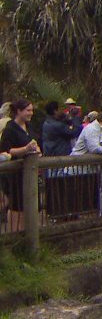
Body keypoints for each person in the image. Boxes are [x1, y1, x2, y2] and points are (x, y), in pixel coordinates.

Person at [0, 99, 42, 231]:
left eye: (31, 110)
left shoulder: (30, 127)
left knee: (30, 204)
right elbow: (6, 150)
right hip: (16, 174)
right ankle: (14, 234)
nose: (31, 113)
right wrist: (26, 149)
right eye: (28, 110)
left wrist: (38, 150)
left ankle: (27, 233)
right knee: (16, 205)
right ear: (18, 111)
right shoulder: (10, 129)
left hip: (31, 172)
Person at [71, 110, 102, 216]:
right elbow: (93, 148)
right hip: (79, 166)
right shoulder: (91, 129)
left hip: (95, 166)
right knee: (81, 192)